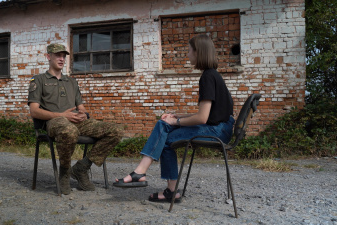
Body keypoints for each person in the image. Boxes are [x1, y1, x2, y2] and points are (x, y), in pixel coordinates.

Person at [113, 34, 234, 203]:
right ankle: (142, 172)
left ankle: (163, 186)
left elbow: (203, 118)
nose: (188, 54)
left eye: (190, 50)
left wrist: (175, 122)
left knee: (167, 139)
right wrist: (178, 116)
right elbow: (209, 114)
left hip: (216, 131)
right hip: (220, 128)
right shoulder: (213, 75)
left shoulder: (207, 77)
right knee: (164, 126)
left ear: (198, 52)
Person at [28, 43, 123, 195]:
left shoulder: (71, 82)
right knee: (69, 131)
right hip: (54, 122)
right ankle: (64, 172)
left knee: (116, 131)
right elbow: (34, 111)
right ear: (48, 57)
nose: (61, 59)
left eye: (63, 56)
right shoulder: (38, 80)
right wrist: (61, 115)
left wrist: (83, 114)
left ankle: (81, 168)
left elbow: (81, 107)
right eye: (58, 55)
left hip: (76, 121)